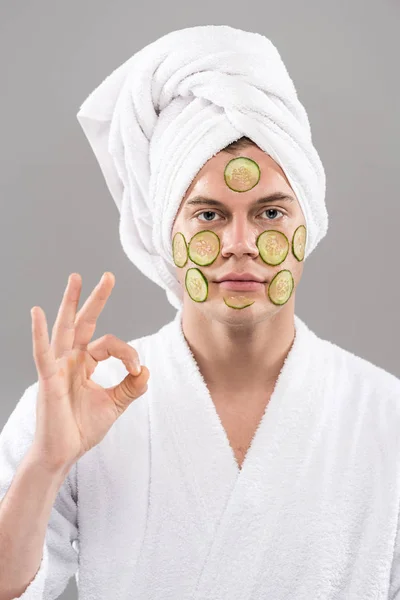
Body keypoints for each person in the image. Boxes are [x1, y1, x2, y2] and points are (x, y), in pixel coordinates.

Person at [1, 25, 400, 600]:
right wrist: (46, 463)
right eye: (209, 215)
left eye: (270, 213)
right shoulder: (77, 404)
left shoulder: (385, 417)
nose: (239, 241)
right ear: (167, 233)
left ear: (307, 225)